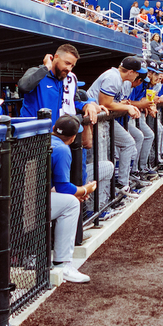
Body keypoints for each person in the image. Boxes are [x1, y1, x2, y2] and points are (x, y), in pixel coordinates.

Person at [49, 115, 100, 283]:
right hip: (31, 206)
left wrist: (75, 192)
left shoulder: (44, 139)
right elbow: (64, 187)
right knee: (71, 204)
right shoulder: (63, 149)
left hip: (15, 202)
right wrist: (85, 189)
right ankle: (63, 264)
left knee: (68, 199)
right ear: (72, 138)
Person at [92, 56, 148, 198]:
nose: (137, 75)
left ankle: (120, 185)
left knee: (127, 144)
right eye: (136, 72)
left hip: (104, 120)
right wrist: (127, 107)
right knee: (99, 162)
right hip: (93, 122)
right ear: (130, 72)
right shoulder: (113, 77)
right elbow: (105, 103)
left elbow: (114, 103)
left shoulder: (119, 79)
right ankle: (98, 204)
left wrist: (126, 105)